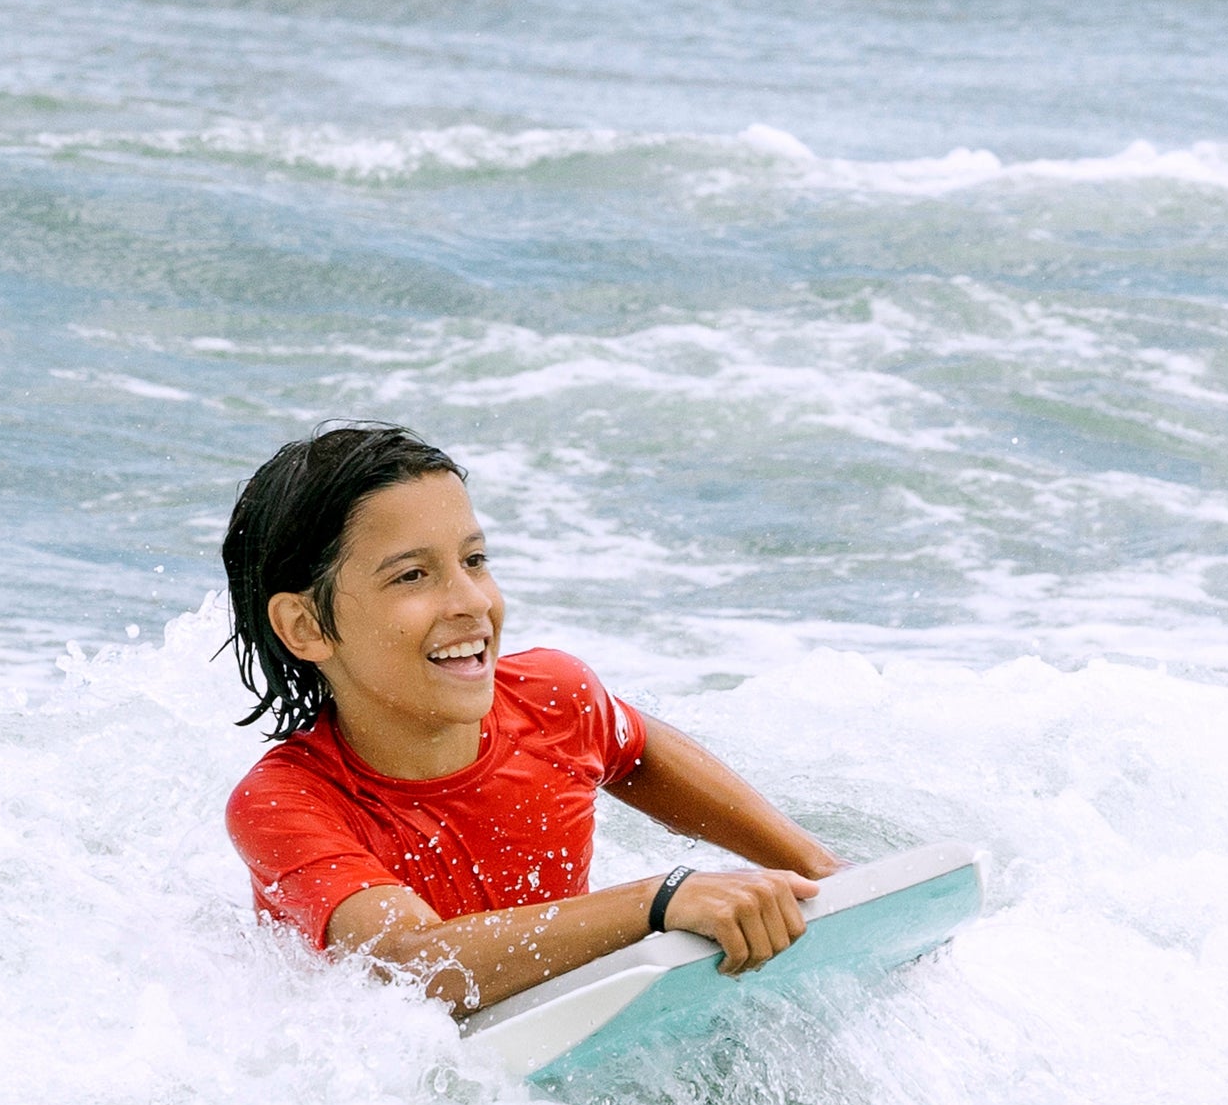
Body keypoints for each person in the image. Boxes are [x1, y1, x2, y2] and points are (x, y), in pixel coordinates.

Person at [223, 424, 841, 1016]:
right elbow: (411, 964)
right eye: (412, 575)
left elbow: (636, 749)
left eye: (474, 560)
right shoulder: (286, 803)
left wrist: (818, 869)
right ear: (305, 626)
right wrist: (660, 900)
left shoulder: (553, 701)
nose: (472, 601)